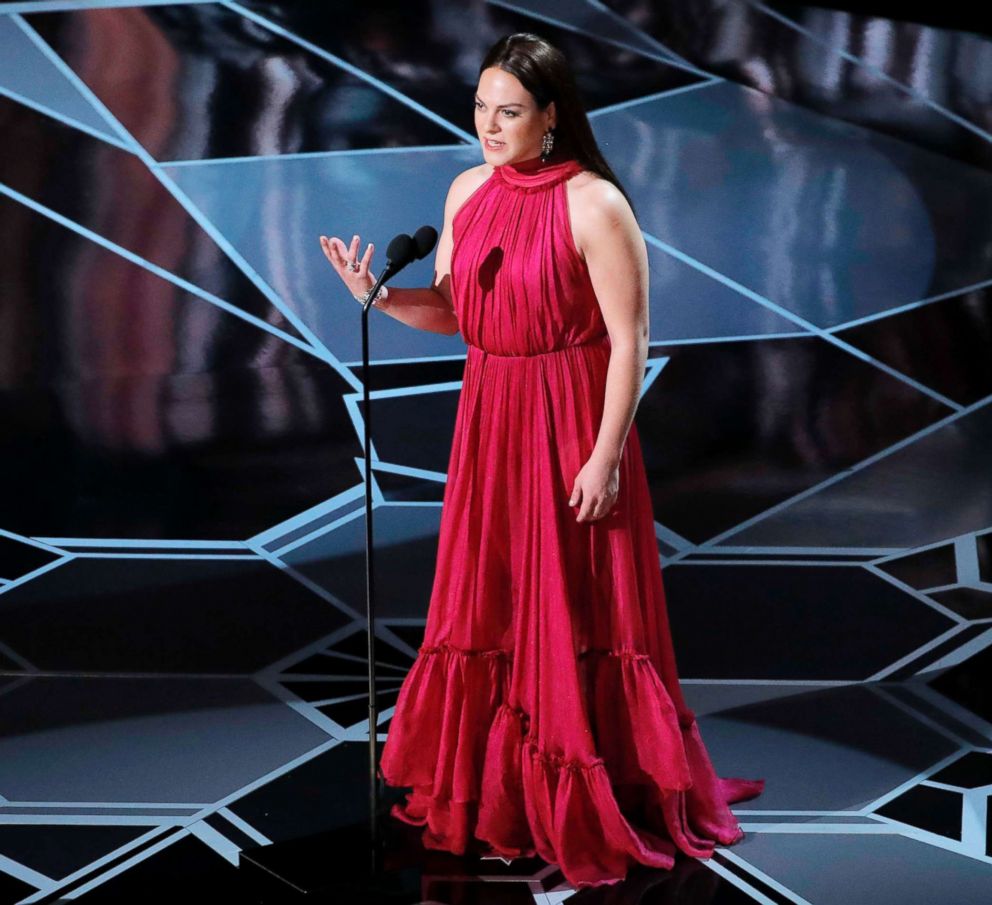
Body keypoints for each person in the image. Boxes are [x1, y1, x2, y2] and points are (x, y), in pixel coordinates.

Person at [319, 31, 764, 891]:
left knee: (572, 607)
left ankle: (583, 798)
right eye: (482, 108)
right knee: (493, 600)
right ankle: (503, 798)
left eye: (510, 111)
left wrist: (603, 455)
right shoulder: (466, 192)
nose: (490, 126)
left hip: (570, 424)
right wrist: (376, 295)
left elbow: (631, 339)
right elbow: (456, 313)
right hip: (490, 419)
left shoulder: (595, 203)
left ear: (552, 117)